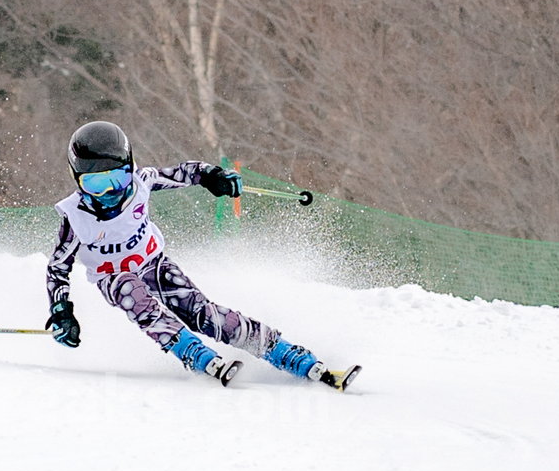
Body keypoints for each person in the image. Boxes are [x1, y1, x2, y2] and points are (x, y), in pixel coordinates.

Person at [46, 122, 359, 390]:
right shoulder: (75, 216)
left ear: (131, 167)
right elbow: (58, 267)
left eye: (118, 178)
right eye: (96, 184)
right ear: (78, 180)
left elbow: (187, 172)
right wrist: (61, 311)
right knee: (132, 292)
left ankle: (283, 352)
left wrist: (214, 177)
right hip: (114, 278)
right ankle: (192, 352)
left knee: (201, 313)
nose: (110, 192)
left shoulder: (144, 182)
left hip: (153, 264)